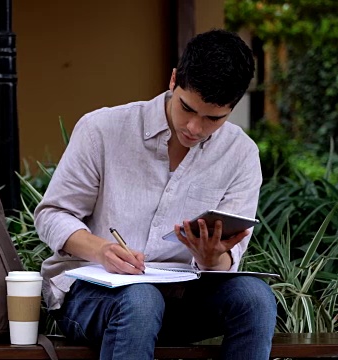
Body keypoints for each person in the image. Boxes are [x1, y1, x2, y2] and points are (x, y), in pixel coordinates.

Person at [34, 28, 277, 360]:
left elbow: (224, 263)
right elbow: (52, 214)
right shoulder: (103, 129)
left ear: (233, 108)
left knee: (255, 298)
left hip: (183, 299)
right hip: (96, 295)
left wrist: (211, 258)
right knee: (141, 299)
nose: (195, 128)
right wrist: (103, 250)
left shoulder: (241, 154)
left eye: (213, 119)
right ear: (173, 79)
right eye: (188, 109)